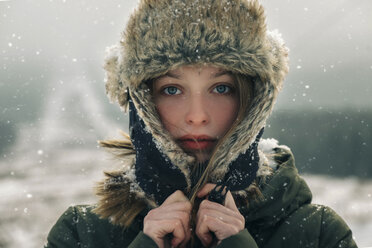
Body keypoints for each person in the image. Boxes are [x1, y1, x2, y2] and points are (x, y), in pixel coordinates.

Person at [45, 0, 357, 247]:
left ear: (253, 101)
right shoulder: (81, 235)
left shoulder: (319, 235)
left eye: (221, 88)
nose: (197, 115)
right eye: (172, 89)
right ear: (142, 102)